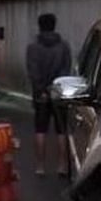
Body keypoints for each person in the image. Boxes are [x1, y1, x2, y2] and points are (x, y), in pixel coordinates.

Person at [25, 12, 71, 176]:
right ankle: (62, 166)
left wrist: (42, 90)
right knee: (61, 130)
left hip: (41, 95)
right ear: (54, 25)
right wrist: (56, 89)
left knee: (40, 130)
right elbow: (67, 71)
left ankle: (40, 166)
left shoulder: (33, 48)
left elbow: (33, 72)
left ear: (39, 26)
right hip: (59, 94)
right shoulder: (64, 47)